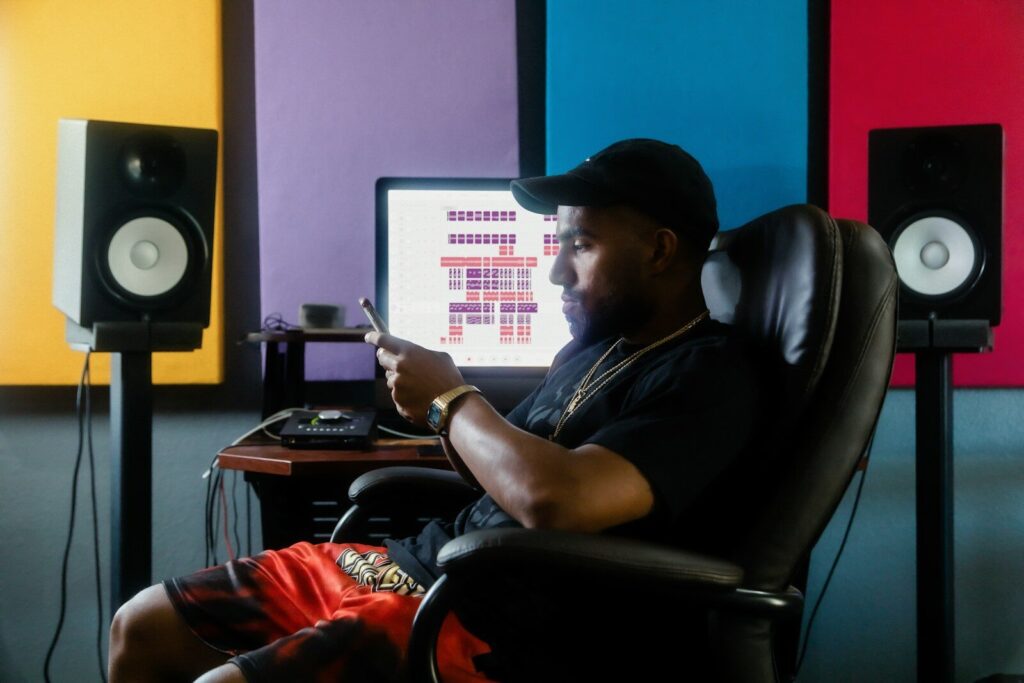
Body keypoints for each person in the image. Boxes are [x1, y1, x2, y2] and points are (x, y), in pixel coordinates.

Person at [108, 138, 762, 682]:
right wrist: (435, 410)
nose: (557, 272)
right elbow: (496, 474)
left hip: (493, 624)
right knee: (142, 624)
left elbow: (557, 501)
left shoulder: (711, 375)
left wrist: (453, 397)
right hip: (419, 565)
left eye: (582, 245)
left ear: (660, 250)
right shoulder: (594, 349)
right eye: (559, 245)